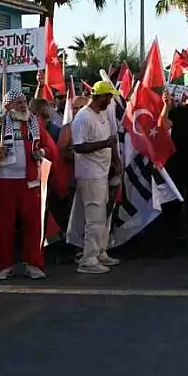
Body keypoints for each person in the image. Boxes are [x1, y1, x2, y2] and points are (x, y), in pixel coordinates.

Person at [0, 88, 55, 281]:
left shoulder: (34, 122)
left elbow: (48, 147)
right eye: (18, 102)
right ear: (7, 106)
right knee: (4, 226)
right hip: (4, 182)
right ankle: (4, 265)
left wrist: (42, 153)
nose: (23, 105)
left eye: (24, 101)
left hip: (30, 182)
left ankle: (34, 264)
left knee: (33, 224)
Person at [70, 81, 121, 274]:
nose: (110, 100)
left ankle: (100, 252)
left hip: (101, 172)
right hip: (90, 174)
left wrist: (115, 161)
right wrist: (105, 143)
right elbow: (79, 147)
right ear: (99, 96)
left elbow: (110, 142)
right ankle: (88, 259)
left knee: (102, 216)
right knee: (94, 217)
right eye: (108, 97)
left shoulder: (102, 115)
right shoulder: (83, 117)